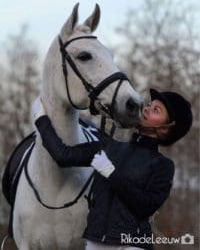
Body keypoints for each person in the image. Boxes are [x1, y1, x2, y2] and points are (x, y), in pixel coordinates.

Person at [32, 88, 193, 250]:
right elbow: (63, 155)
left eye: (155, 110)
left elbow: (146, 206)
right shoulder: (108, 147)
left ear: (164, 128)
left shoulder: (162, 165)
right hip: (95, 243)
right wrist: (40, 117)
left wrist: (111, 173)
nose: (146, 108)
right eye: (149, 105)